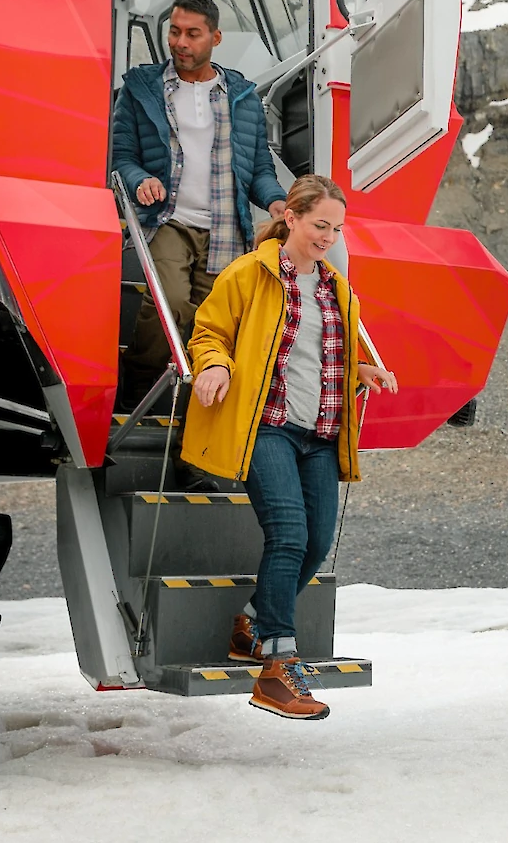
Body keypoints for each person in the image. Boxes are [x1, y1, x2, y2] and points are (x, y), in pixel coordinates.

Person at [181, 173, 397, 721]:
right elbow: (209, 330)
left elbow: (324, 355)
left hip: (320, 433)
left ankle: (250, 623)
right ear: (293, 218)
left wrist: (362, 369)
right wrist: (214, 365)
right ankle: (277, 668)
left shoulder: (335, 286)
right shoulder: (250, 273)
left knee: (316, 542)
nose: (327, 236)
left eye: (337, 228)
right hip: (269, 426)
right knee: (289, 534)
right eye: (319, 224)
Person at [110, 0, 286, 391]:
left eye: (192, 34)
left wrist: (276, 201)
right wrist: (141, 181)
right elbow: (120, 158)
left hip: (226, 230)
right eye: (174, 32)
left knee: (215, 321)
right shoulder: (141, 89)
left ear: (215, 38)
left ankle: (194, 407)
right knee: (170, 305)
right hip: (169, 220)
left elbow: (258, 168)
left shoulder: (242, 98)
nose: (180, 43)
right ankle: (136, 388)